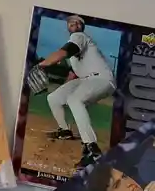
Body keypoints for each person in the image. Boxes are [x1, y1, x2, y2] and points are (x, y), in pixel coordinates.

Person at [35, 14, 114, 168]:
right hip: (85, 79)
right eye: (71, 22)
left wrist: (42, 64)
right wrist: (64, 90)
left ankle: (92, 149)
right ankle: (65, 130)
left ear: (82, 27)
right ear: (67, 26)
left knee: (75, 100)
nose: (75, 24)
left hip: (102, 78)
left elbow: (64, 52)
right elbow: (73, 73)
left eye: (78, 23)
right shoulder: (74, 50)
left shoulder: (79, 37)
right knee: (54, 98)